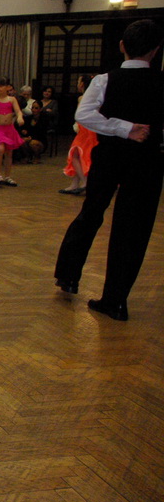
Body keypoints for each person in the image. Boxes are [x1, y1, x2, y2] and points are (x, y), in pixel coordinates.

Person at [54, 19, 163, 321]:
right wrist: (133, 129)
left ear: (122, 46)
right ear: (156, 50)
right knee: (134, 229)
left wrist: (121, 128)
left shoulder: (105, 80)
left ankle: (68, 276)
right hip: (148, 162)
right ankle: (115, 301)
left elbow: (84, 114)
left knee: (90, 214)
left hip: (110, 157)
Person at [60, 74, 97, 195]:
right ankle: (75, 184)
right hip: (91, 129)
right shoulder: (96, 97)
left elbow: (79, 115)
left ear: (82, 84)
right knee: (81, 154)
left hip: (85, 131)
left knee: (75, 154)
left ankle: (85, 181)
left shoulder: (83, 98)